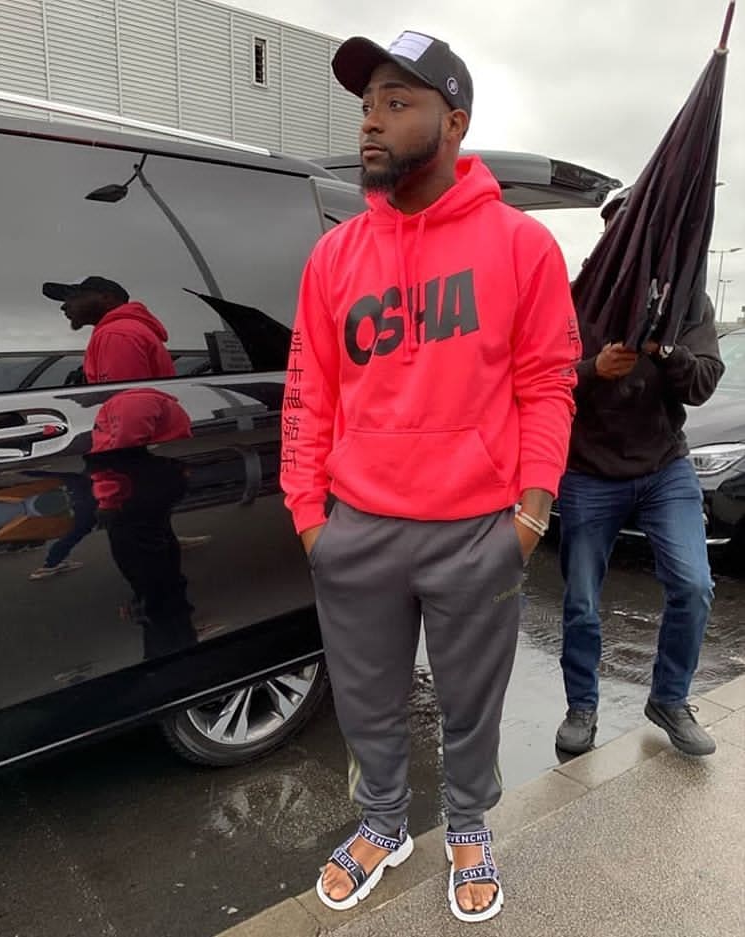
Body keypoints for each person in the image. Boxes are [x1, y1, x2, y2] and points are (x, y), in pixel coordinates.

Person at [280, 30, 580, 924]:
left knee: (471, 702)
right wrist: (310, 519)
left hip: (477, 528)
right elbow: (308, 393)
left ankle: (468, 823)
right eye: (366, 104)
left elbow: (548, 385)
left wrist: (528, 519)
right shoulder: (335, 257)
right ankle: (382, 823)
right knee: (366, 701)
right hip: (357, 528)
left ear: (454, 122)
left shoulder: (522, 246)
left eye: (396, 102)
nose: (370, 121)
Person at [555, 187, 725, 759]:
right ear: (607, 235)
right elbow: (540, 379)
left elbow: (703, 383)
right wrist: (593, 369)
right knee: (582, 599)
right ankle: (581, 706)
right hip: (588, 472)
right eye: (619, 227)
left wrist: (665, 350)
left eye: (642, 228)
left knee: (694, 586)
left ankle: (670, 698)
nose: (630, 238)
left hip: (663, 469)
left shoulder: (687, 301)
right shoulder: (577, 297)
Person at [41, 275, 175, 382]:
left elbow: (126, 399)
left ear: (106, 297)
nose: (64, 306)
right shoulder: (128, 329)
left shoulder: (117, 333)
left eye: (73, 297)